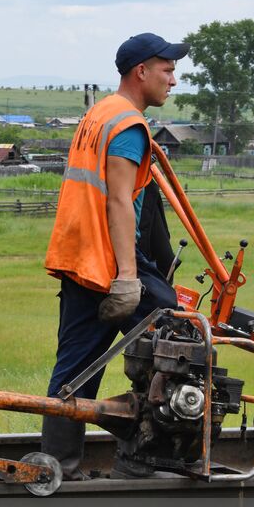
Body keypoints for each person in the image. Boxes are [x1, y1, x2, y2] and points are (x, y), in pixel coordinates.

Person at [42, 33, 188, 479]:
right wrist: (128, 277)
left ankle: (57, 466)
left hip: (80, 255)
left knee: (75, 368)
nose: (174, 80)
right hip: (107, 259)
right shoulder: (127, 125)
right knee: (179, 338)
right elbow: (119, 202)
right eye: (167, 70)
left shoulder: (99, 113)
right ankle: (148, 455)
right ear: (140, 71)